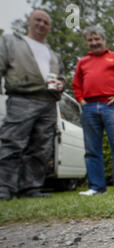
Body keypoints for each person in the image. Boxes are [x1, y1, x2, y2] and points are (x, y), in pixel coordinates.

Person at [0, 10, 65, 200]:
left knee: (42, 147)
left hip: (48, 101)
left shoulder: (52, 53)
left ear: (49, 27)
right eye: (38, 20)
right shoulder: (11, 42)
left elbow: (61, 75)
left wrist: (62, 84)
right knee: (12, 142)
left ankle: (30, 188)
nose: (41, 24)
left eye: (46, 22)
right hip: (22, 97)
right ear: (29, 21)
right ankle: (4, 187)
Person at [72, 25, 114, 196]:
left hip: (112, 106)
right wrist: (81, 100)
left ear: (103, 40)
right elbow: (76, 84)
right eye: (90, 40)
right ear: (87, 42)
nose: (94, 42)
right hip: (89, 108)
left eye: (97, 39)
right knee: (92, 149)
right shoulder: (83, 62)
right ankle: (96, 187)